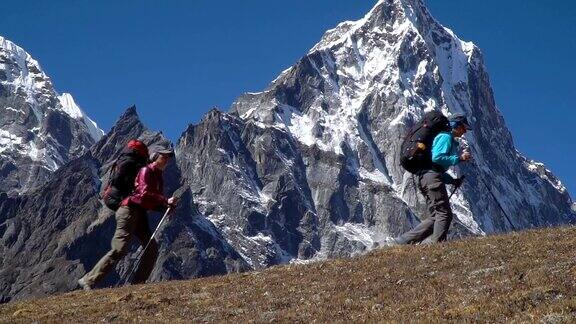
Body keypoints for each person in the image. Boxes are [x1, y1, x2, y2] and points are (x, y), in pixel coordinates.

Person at [78, 145, 178, 290]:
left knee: (152, 248)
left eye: (168, 157)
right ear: (155, 156)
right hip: (128, 210)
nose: (167, 160)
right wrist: (164, 201)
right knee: (120, 248)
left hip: (139, 212)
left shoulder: (157, 176)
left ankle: (137, 285)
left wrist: (165, 207)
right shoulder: (146, 171)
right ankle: (89, 280)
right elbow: (143, 194)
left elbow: (150, 200)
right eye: (164, 156)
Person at [395, 114, 472, 245]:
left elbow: (435, 167)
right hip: (431, 178)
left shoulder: (443, 137)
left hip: (426, 177)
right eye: (463, 128)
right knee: (444, 214)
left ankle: (403, 241)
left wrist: (453, 181)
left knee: (436, 216)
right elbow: (437, 158)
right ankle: (438, 246)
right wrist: (459, 158)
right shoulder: (446, 136)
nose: (464, 132)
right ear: (456, 125)